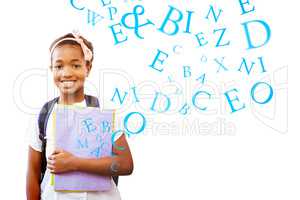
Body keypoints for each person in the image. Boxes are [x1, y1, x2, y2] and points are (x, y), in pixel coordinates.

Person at [26, 32, 133, 200]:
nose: (67, 73)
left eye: (75, 65)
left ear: (88, 67)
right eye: (59, 66)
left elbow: (126, 164)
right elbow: (33, 171)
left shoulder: (103, 111)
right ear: (51, 69)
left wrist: (74, 163)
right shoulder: (43, 115)